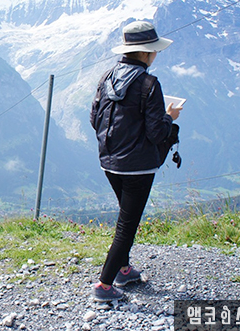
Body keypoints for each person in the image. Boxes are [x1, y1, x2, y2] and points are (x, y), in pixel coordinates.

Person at [89, 20, 182, 302]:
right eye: (154, 51)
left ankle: (124, 269)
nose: (156, 55)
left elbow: (94, 118)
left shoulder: (107, 77)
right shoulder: (149, 84)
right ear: (145, 52)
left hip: (109, 162)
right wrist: (170, 117)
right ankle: (104, 286)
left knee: (126, 216)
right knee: (126, 227)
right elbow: (156, 133)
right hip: (138, 167)